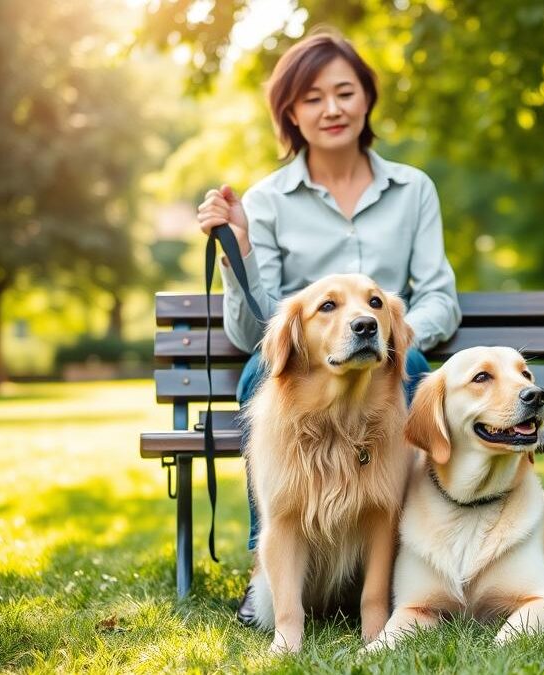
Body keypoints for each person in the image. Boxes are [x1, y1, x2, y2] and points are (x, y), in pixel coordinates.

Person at [196, 28, 461, 624]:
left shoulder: (413, 189)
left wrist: (393, 334)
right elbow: (252, 331)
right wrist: (237, 251)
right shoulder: (265, 202)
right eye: (313, 97)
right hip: (307, 369)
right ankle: (267, 569)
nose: (332, 108)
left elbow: (439, 293)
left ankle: (406, 564)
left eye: (345, 92)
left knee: (413, 370)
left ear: (367, 98)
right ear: (290, 112)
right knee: (255, 377)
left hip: (392, 365)